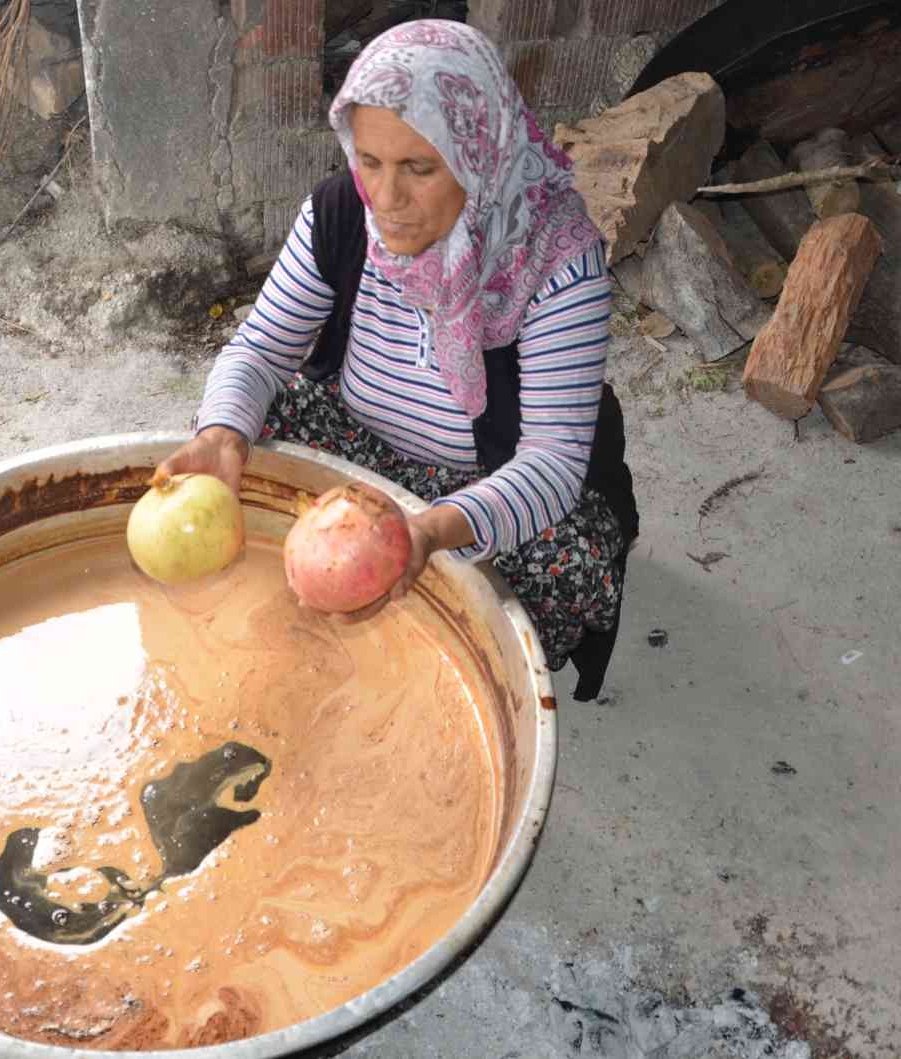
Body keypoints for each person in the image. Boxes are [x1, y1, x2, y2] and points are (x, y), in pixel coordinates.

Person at [155, 19, 638, 701]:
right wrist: (219, 434)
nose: (386, 200)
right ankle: (309, 590)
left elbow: (553, 463)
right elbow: (261, 350)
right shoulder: (340, 212)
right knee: (243, 435)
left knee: (571, 560)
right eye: (370, 161)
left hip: (484, 482)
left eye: (419, 168)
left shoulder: (556, 257)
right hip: (356, 446)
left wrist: (430, 531)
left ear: (481, 154)